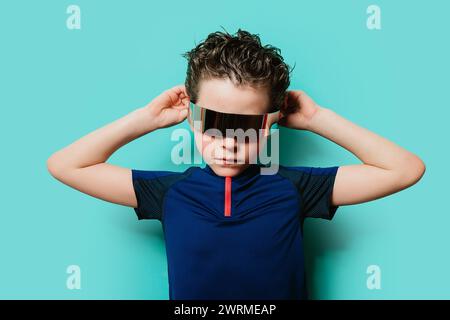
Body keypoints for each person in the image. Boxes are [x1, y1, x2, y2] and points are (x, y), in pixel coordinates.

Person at [47, 29, 425, 300]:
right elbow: (66, 165)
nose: (228, 143)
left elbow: (404, 169)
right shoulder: (169, 192)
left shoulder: (294, 187)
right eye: (214, 123)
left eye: (244, 126)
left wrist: (317, 119)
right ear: (193, 116)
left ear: (269, 122)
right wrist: (147, 118)